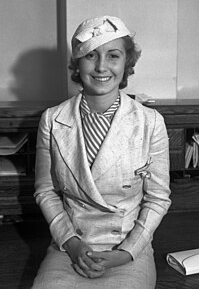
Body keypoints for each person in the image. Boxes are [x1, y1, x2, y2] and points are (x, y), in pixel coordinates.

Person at [32, 15, 171, 289]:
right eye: (91, 56)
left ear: (126, 63)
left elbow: (158, 199)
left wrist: (125, 253)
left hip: (128, 248)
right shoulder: (52, 119)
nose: (101, 67)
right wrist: (71, 244)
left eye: (113, 55)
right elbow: (45, 191)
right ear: (77, 63)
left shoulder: (150, 122)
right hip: (69, 245)